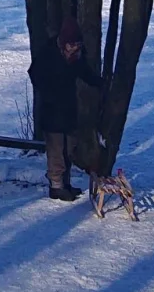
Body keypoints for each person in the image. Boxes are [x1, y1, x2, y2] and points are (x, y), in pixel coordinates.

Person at [29, 26, 101, 201]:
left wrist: (98, 83)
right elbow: (34, 74)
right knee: (56, 150)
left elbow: (83, 71)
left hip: (68, 108)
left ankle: (65, 183)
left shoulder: (76, 56)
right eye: (71, 45)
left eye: (77, 44)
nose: (74, 48)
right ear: (63, 42)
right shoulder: (48, 53)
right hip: (51, 110)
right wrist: (49, 93)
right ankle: (56, 186)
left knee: (69, 149)